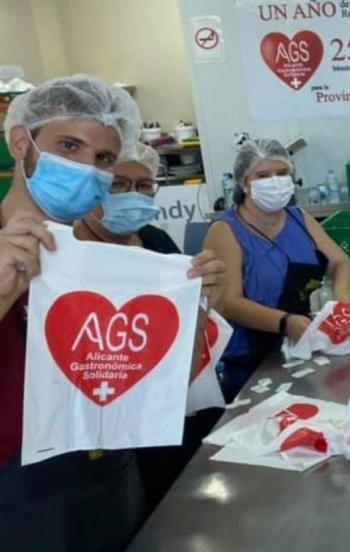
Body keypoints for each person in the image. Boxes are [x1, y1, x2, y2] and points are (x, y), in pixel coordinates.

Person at [0, 74, 224, 552]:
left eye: (102, 158)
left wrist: (196, 308)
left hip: (112, 467)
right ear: (22, 142)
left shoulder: (110, 266)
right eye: (68, 146)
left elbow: (160, 390)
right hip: (17, 487)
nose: (87, 169)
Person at [72, 142, 226, 511]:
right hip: (104, 410)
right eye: (119, 185)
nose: (133, 195)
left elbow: (187, 318)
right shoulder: (70, 251)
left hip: (170, 398)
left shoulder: (156, 241)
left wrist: (207, 298)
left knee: (183, 497)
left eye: (143, 186)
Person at [204, 138, 350, 400]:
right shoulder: (226, 230)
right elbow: (227, 302)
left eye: (282, 173)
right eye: (263, 175)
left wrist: (343, 298)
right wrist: (285, 322)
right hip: (249, 361)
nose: (275, 181)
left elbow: (341, 262)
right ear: (244, 183)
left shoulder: (299, 218)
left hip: (302, 346)